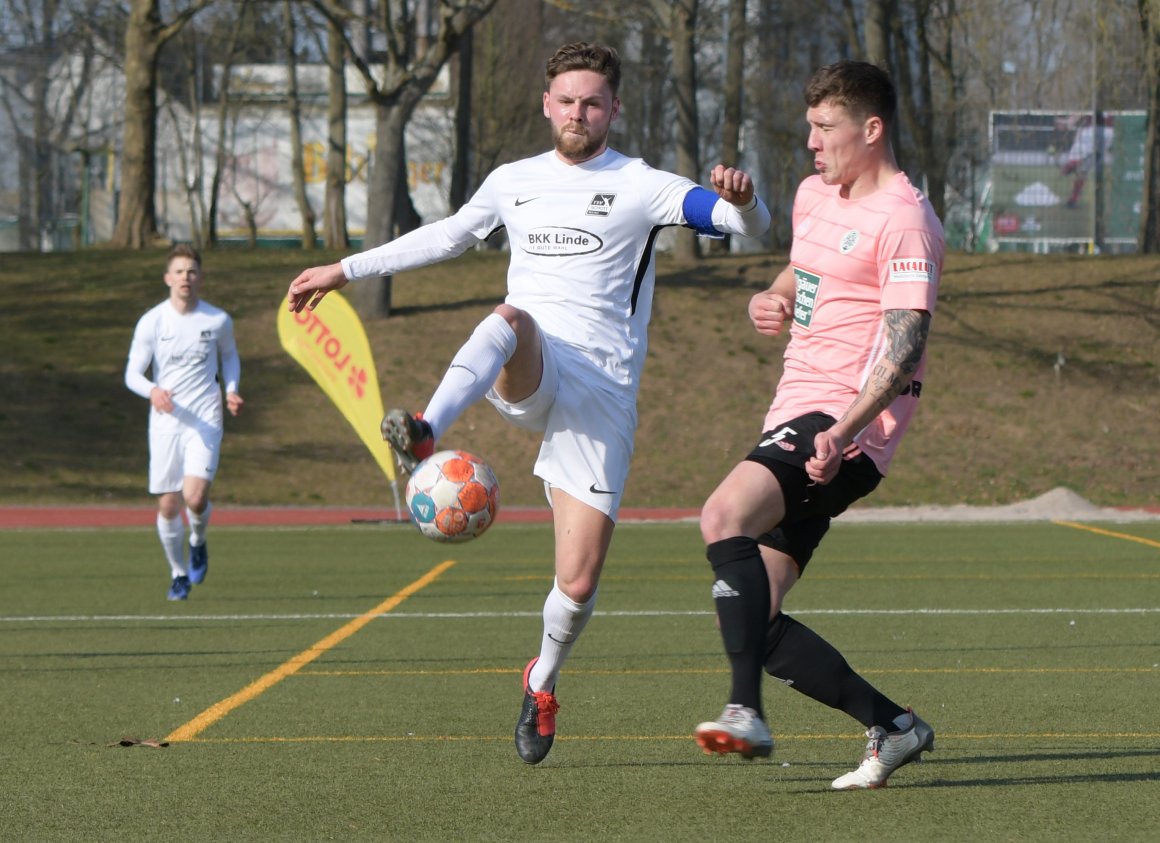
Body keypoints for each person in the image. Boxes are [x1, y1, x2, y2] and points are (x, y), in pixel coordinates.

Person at [287, 41, 770, 765]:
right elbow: (449, 235)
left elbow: (746, 229)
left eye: (593, 102)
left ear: (613, 109)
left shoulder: (640, 184)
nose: (578, 113)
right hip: (531, 362)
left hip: (600, 394)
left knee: (576, 582)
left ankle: (541, 680)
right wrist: (345, 268)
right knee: (509, 318)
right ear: (547, 105)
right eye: (567, 101)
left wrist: (745, 199)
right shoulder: (514, 181)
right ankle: (426, 432)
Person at [691, 60, 944, 790]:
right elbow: (804, 278)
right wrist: (766, 299)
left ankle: (743, 709)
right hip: (798, 409)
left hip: (845, 424)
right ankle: (895, 726)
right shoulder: (812, 194)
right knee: (749, 617)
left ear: (871, 130)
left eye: (825, 127)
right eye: (808, 126)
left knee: (722, 514)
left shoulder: (905, 219)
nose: (811, 141)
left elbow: (904, 344)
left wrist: (845, 430)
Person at [125, 244, 243, 601]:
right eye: (179, 271)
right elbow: (132, 373)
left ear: (200, 278)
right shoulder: (152, 321)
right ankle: (178, 574)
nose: (185, 278)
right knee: (167, 505)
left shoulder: (217, 320)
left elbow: (230, 357)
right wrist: (152, 391)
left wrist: (232, 390)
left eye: (191, 271)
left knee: (194, 498)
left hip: (205, 417)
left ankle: (199, 541)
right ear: (167, 278)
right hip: (166, 422)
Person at [1059, 115, 1114, 209]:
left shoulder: (1089, 102)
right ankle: (1073, 200)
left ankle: (1071, 166)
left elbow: (1079, 112)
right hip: (1109, 133)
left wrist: (1069, 121)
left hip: (1091, 131)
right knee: (1084, 170)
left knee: (1075, 162)